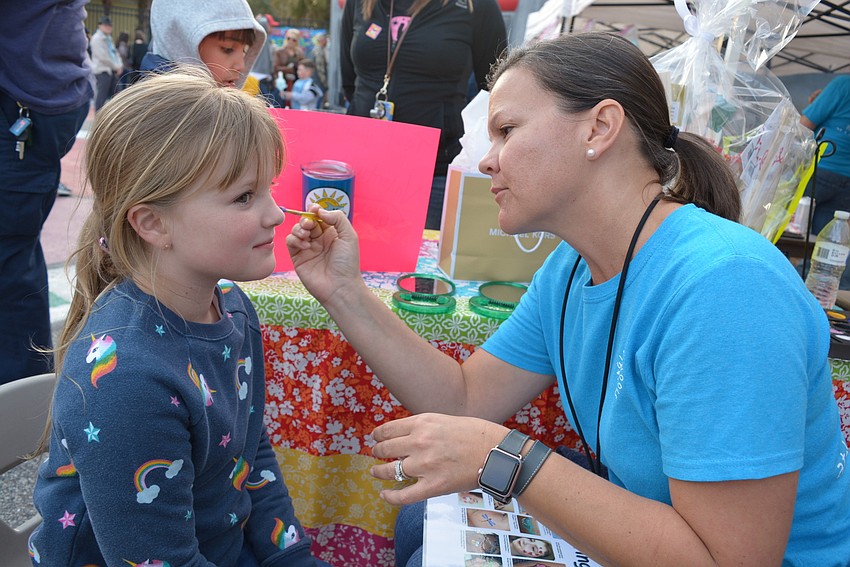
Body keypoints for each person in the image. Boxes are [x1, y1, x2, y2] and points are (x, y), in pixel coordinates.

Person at [287, 32, 850, 566]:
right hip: (661, 521)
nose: (487, 160)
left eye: (507, 130)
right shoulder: (570, 268)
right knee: (423, 523)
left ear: (600, 128)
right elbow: (463, 399)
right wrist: (344, 291)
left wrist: (503, 457)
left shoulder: (725, 288)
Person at [29, 69, 327, 567]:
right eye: (244, 197)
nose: (277, 216)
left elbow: (252, 456)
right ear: (153, 223)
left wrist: (291, 558)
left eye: (269, 190)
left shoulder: (232, 306)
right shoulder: (127, 381)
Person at [340, 0, 507, 230]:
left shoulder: (475, 6)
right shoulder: (360, 3)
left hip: (434, 171)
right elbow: (349, 82)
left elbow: (495, 90)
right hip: (363, 163)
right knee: (356, 255)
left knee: (421, 261)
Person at [0, 0, 92, 386]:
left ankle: (23, 405)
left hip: (30, 104)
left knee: (11, 258)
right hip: (43, 98)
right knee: (14, 257)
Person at [141, 0, 266, 90]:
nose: (241, 66)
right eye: (227, 49)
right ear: (183, 43)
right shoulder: (160, 114)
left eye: (244, 51)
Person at [800, 74, 850, 288]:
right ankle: (814, 292)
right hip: (847, 183)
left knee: (792, 234)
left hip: (822, 169)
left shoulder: (843, 84)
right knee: (826, 246)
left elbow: (804, 126)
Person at [89, 16, 123, 111]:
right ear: (99, 26)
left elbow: (115, 53)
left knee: (118, 95)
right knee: (101, 97)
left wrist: (119, 65)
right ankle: (98, 118)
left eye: (110, 25)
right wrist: (116, 66)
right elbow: (102, 57)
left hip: (112, 71)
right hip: (102, 71)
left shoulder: (108, 39)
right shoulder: (97, 39)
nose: (108, 27)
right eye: (105, 25)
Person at [273, 28, 306, 106]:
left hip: (296, 82)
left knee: (294, 105)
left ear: (297, 41)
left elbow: (303, 65)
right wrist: (290, 69)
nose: (291, 41)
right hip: (282, 82)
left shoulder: (300, 52)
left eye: (294, 40)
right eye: (288, 38)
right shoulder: (279, 51)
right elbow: (275, 67)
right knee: (281, 104)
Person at [311, 32, 329, 96]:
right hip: (320, 82)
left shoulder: (316, 49)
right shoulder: (319, 51)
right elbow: (320, 69)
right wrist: (326, 84)